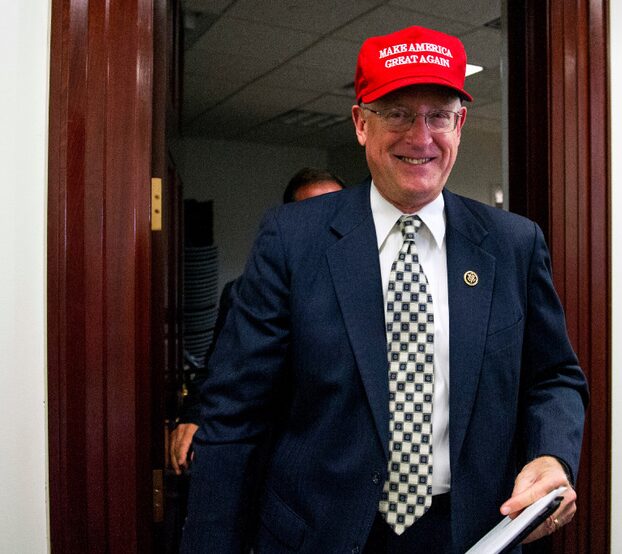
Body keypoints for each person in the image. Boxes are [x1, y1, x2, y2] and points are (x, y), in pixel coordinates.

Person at [181, 25, 588, 553]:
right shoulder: (293, 239)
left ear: (459, 124)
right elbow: (235, 416)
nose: (420, 137)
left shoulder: (513, 245)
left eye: (439, 115)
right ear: (360, 124)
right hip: (320, 536)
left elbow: (554, 376)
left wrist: (551, 454)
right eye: (397, 113)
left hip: (470, 533)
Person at [168, 167, 345, 475]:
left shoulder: (375, 290)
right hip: (274, 457)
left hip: (342, 463)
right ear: (291, 223)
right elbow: (220, 368)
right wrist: (195, 413)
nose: (326, 226)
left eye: (335, 212)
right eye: (312, 215)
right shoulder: (244, 293)